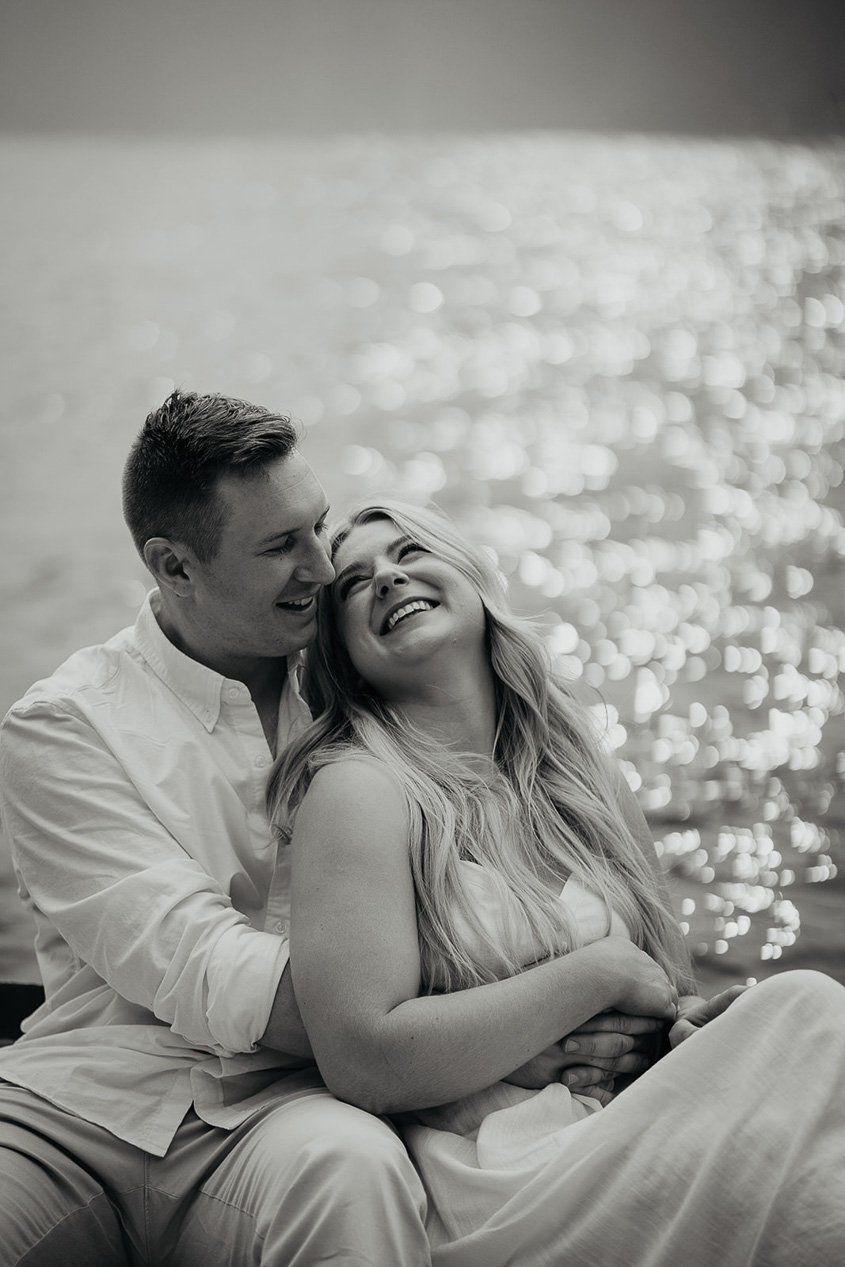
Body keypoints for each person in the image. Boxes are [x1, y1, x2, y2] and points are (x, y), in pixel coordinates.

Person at [0, 390, 649, 1266]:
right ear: (174, 566)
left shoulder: (365, 668)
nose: (323, 565)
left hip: (290, 1112)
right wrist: (502, 1038)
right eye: (280, 547)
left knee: (353, 1172)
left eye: (318, 525)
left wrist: (453, 1038)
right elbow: (204, 964)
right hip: (90, 1106)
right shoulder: (65, 725)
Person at [269, 496, 845, 1267]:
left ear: (468, 577)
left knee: (791, 1027)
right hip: (500, 1172)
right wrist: (593, 975)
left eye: (408, 552)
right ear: (342, 653)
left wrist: (682, 1027)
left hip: (625, 1115)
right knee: (807, 1013)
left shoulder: (580, 771)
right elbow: (361, 1059)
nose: (386, 578)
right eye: (353, 584)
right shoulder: (360, 789)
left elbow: (664, 989)